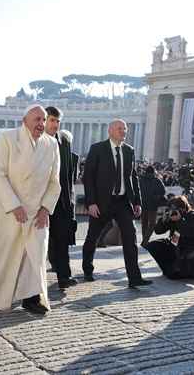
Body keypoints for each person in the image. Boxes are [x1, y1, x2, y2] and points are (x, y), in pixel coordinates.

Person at [0, 105, 61, 314]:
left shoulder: (52, 144)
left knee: (35, 254)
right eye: (37, 119)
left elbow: (54, 182)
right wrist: (14, 205)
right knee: (5, 254)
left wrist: (45, 209)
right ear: (24, 121)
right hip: (7, 210)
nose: (41, 124)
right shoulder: (7, 138)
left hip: (36, 212)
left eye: (44, 119)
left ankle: (32, 298)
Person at [82, 119, 151, 288]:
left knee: (130, 238)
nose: (124, 132)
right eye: (120, 129)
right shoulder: (97, 149)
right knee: (92, 237)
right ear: (110, 130)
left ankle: (134, 277)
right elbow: (88, 177)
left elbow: (132, 177)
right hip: (101, 202)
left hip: (122, 202)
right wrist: (91, 202)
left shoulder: (129, 151)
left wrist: (137, 201)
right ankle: (87, 269)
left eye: (125, 129)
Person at [44, 106, 78, 290]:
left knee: (62, 239)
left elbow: (68, 174)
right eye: (52, 120)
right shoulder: (37, 139)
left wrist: (70, 199)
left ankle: (64, 277)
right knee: (40, 241)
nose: (55, 124)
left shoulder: (64, 141)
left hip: (62, 200)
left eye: (58, 121)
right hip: (40, 201)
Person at [148, 195, 194, 279]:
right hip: (175, 246)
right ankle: (167, 269)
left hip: (189, 248)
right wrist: (163, 220)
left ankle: (186, 270)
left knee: (178, 275)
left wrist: (179, 220)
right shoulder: (172, 216)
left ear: (184, 207)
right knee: (154, 245)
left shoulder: (193, 216)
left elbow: (191, 232)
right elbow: (158, 231)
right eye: (172, 209)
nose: (175, 211)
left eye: (177, 208)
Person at [139, 165, 166, 248]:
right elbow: (163, 191)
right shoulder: (157, 180)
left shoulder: (141, 180)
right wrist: (157, 196)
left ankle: (144, 240)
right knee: (152, 224)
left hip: (142, 204)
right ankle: (145, 241)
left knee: (144, 223)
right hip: (153, 205)